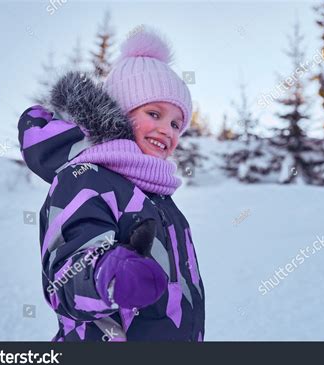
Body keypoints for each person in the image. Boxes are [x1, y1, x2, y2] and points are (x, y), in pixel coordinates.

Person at [17, 25, 205, 341]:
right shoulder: (85, 177)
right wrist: (111, 274)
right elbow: (65, 281)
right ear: (121, 112)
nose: (168, 130)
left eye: (176, 123)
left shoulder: (158, 195)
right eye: (154, 113)